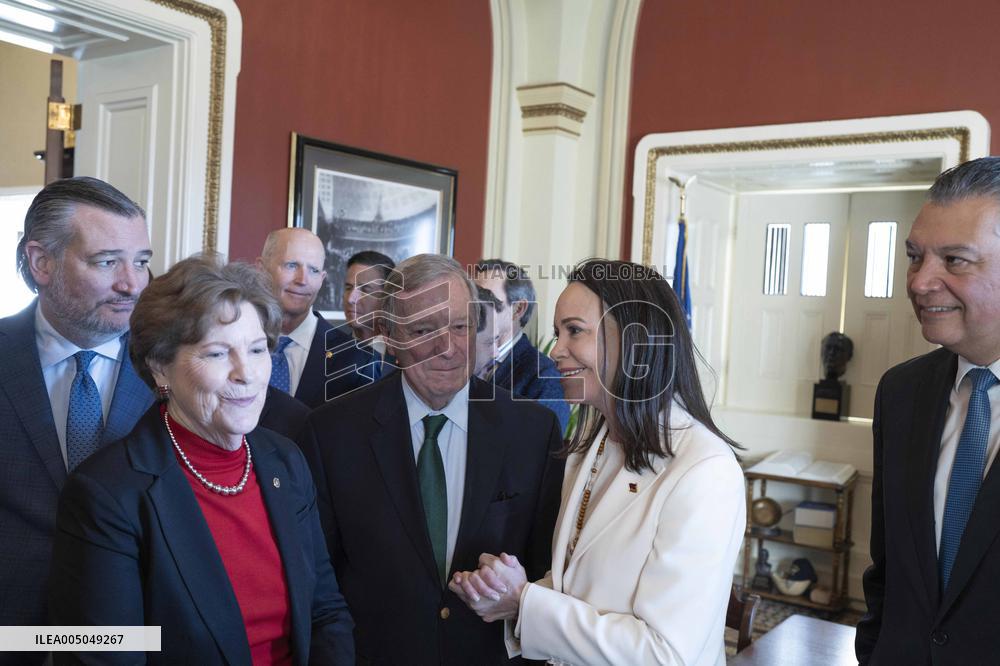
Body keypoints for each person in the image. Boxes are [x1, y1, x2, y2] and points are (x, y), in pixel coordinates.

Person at [49, 255, 354, 665]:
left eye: (257, 349)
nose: (246, 373)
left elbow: (325, 612)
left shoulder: (285, 459)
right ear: (160, 367)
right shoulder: (107, 494)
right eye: (216, 354)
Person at [450, 259, 746, 666]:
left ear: (635, 341)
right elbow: (582, 588)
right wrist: (505, 592)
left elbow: (665, 654)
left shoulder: (705, 471)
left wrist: (525, 602)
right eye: (558, 333)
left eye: (575, 331)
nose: (555, 351)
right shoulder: (591, 447)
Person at [297, 253, 564, 664]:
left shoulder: (532, 431)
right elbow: (319, 585)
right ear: (390, 335)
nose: (447, 348)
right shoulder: (332, 434)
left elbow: (548, 576)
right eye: (424, 330)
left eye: (460, 327)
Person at [0, 178, 154, 664]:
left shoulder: (176, 367)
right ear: (42, 262)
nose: (132, 283)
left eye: (142, 261)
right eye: (107, 261)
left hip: (135, 636)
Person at [856, 157, 1000, 664]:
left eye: (955, 260)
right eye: (916, 256)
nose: (919, 282)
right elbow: (887, 574)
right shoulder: (900, 392)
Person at [257, 228, 371, 408]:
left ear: (322, 278)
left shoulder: (358, 361)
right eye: (292, 265)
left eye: (314, 270)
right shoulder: (229, 342)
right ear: (261, 269)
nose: (302, 280)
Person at [474, 259, 570, 433]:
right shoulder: (457, 360)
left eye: (486, 298)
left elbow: (538, 450)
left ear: (518, 310)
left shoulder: (545, 377)